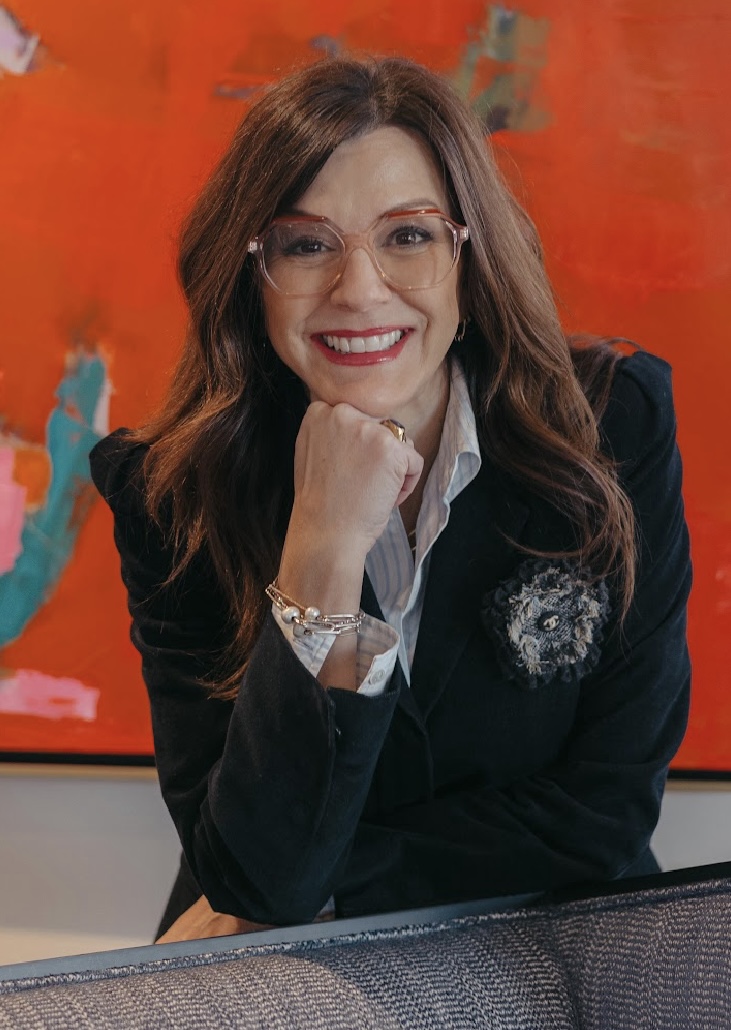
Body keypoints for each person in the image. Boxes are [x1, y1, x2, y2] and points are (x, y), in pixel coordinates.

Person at [90, 55, 691, 943]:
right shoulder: (171, 491)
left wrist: (329, 887)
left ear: (468, 254)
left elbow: (602, 814)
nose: (359, 288)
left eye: (407, 235)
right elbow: (256, 866)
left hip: (556, 948)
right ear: (252, 277)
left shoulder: (607, 424)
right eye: (305, 244)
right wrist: (322, 548)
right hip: (292, 980)